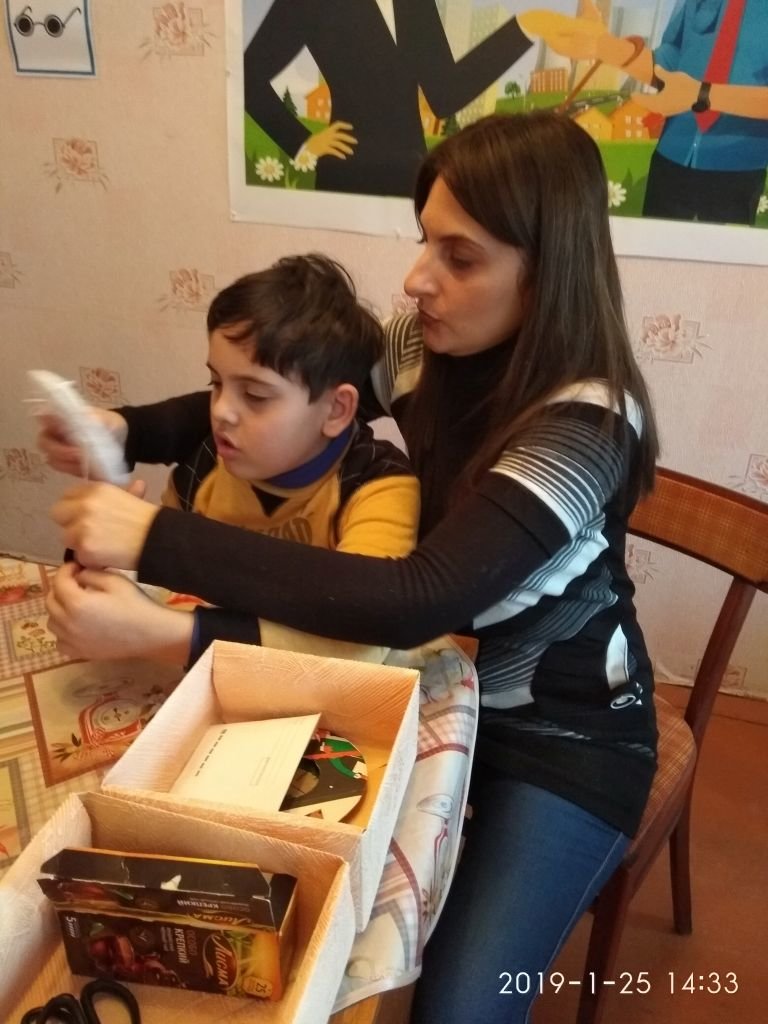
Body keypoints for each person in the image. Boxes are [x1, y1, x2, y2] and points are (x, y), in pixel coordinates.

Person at [43, 111, 660, 1023]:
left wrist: (151, 538)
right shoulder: (420, 349)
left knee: (458, 1006)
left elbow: (416, 599)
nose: (417, 279)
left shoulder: (587, 425)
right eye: (425, 242)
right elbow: (282, 391)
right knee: (252, 907)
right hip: (430, 686)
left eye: (459, 257)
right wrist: (127, 429)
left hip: (561, 740)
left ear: (547, 270)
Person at [43, 253, 419, 666]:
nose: (221, 411)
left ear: (336, 409)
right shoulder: (206, 464)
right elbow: (158, 595)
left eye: (255, 395)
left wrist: (173, 636)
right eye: (216, 383)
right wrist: (93, 565)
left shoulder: (377, 486)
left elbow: (361, 645)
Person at [243, 0, 605, 196]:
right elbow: (249, 75)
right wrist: (302, 141)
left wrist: (530, 24)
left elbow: (446, 93)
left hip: (414, 173)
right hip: (350, 170)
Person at [571, 0, 768, 224]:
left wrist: (702, 94)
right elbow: (669, 62)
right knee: (655, 243)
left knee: (719, 246)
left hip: (736, 167)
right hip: (670, 157)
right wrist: (604, 46)